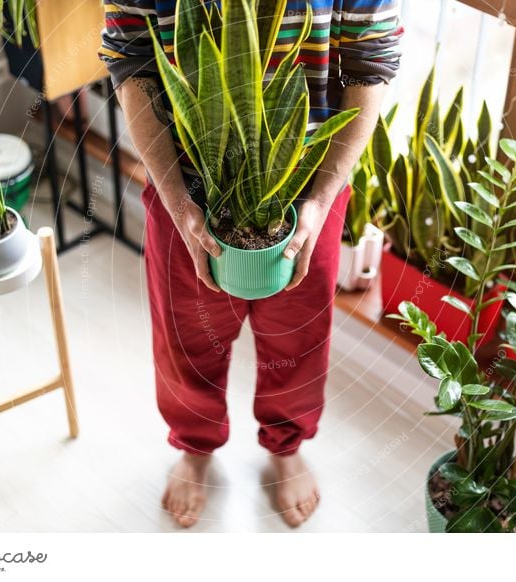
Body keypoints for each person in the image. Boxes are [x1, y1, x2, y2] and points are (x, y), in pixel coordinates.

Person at [99, 0, 402, 528]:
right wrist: (178, 200)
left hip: (307, 185)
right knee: (186, 338)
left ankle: (285, 448)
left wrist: (322, 196)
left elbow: (369, 61)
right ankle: (195, 448)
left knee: (298, 336)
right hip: (185, 185)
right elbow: (133, 62)